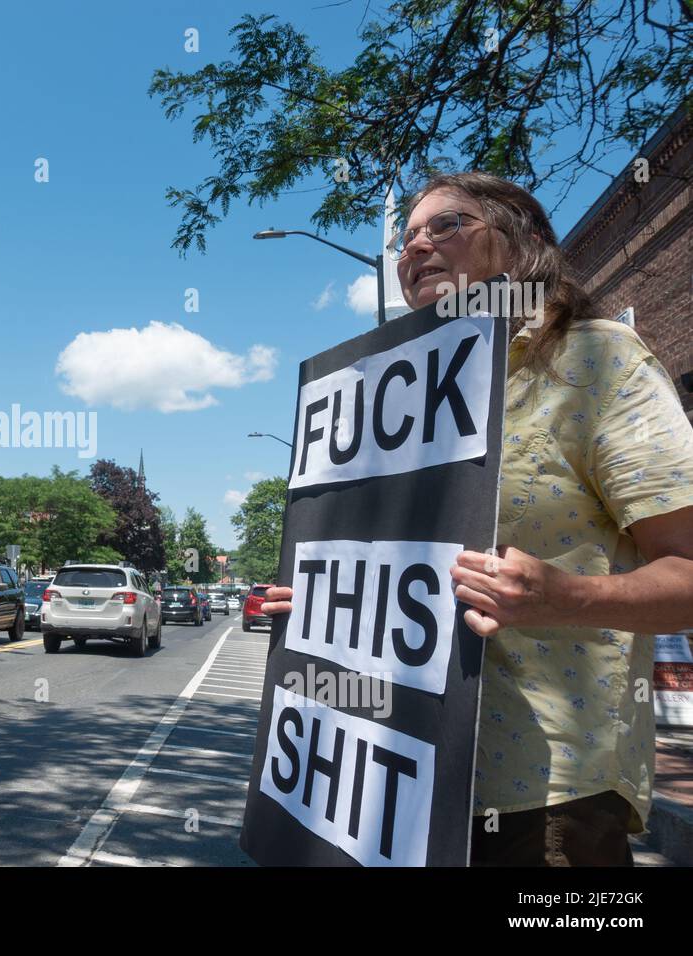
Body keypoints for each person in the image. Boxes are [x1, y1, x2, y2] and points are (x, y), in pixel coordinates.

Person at [261, 171, 693, 866]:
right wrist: (317, 609)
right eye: (406, 240)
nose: (417, 249)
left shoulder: (594, 358)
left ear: (526, 243)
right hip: (390, 781)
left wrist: (565, 596)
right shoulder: (385, 405)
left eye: (447, 226)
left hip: (543, 804)